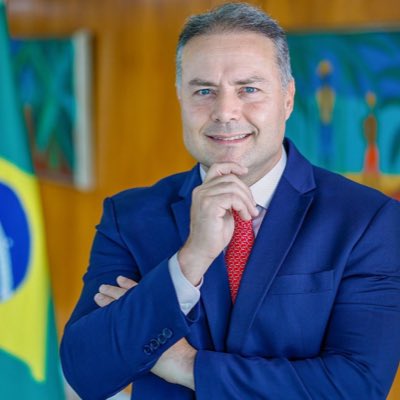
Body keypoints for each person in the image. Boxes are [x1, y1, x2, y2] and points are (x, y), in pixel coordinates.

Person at [60, 3, 400, 399]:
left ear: (288, 98)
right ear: (181, 98)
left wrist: (188, 365)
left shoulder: (368, 219)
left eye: (248, 89)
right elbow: (86, 371)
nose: (224, 112)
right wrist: (189, 261)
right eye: (204, 91)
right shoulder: (129, 216)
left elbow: (357, 386)